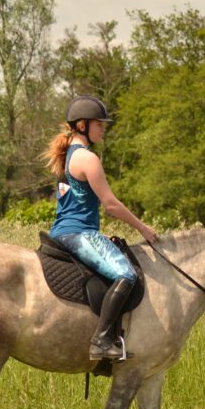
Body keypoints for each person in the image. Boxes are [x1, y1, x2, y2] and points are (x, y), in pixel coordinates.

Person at [44, 95, 157, 360]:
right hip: (78, 234)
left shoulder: (68, 156)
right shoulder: (88, 158)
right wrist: (144, 229)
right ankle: (102, 340)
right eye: (99, 123)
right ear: (83, 125)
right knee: (127, 274)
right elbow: (111, 205)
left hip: (63, 231)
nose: (103, 128)